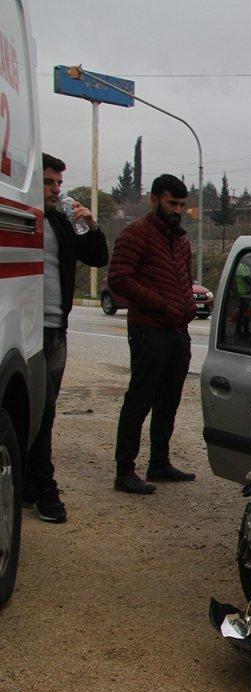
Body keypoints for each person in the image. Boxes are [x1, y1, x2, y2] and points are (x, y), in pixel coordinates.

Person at [25, 154, 109, 522]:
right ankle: (42, 488)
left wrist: (91, 225)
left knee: (45, 413)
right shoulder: (18, 218)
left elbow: (97, 256)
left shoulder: (60, 221)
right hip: (22, 330)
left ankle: (34, 486)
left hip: (55, 330)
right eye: (48, 182)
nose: (56, 189)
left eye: (59, 183)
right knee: (33, 413)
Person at [108, 175, 197, 494]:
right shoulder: (137, 234)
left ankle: (159, 463)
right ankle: (125, 471)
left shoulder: (181, 240)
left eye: (181, 205)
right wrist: (160, 304)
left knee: (169, 401)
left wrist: (186, 306)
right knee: (140, 399)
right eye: (171, 203)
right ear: (154, 199)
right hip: (148, 329)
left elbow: (185, 280)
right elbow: (119, 277)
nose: (177, 210)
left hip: (177, 331)